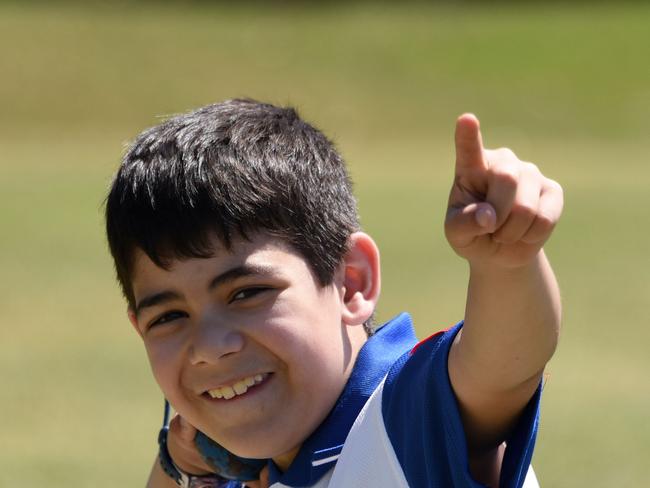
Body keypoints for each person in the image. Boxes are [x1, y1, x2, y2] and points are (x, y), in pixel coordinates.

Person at [105, 99, 563, 488]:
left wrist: (508, 265)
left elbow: (504, 366)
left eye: (246, 293)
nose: (208, 348)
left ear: (351, 281)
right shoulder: (248, 463)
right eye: (167, 318)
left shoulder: (403, 420)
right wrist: (183, 465)